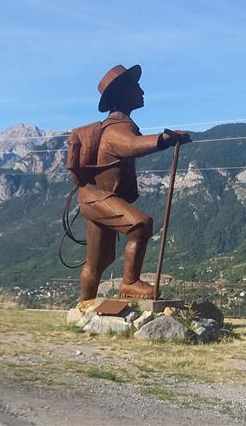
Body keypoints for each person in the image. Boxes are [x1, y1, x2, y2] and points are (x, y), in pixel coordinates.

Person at [77, 64, 190, 301]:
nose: (142, 91)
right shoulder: (116, 129)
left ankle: (84, 306)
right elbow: (131, 146)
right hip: (100, 198)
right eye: (135, 86)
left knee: (98, 261)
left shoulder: (119, 126)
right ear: (120, 94)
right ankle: (129, 283)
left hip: (100, 198)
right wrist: (164, 139)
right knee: (141, 225)